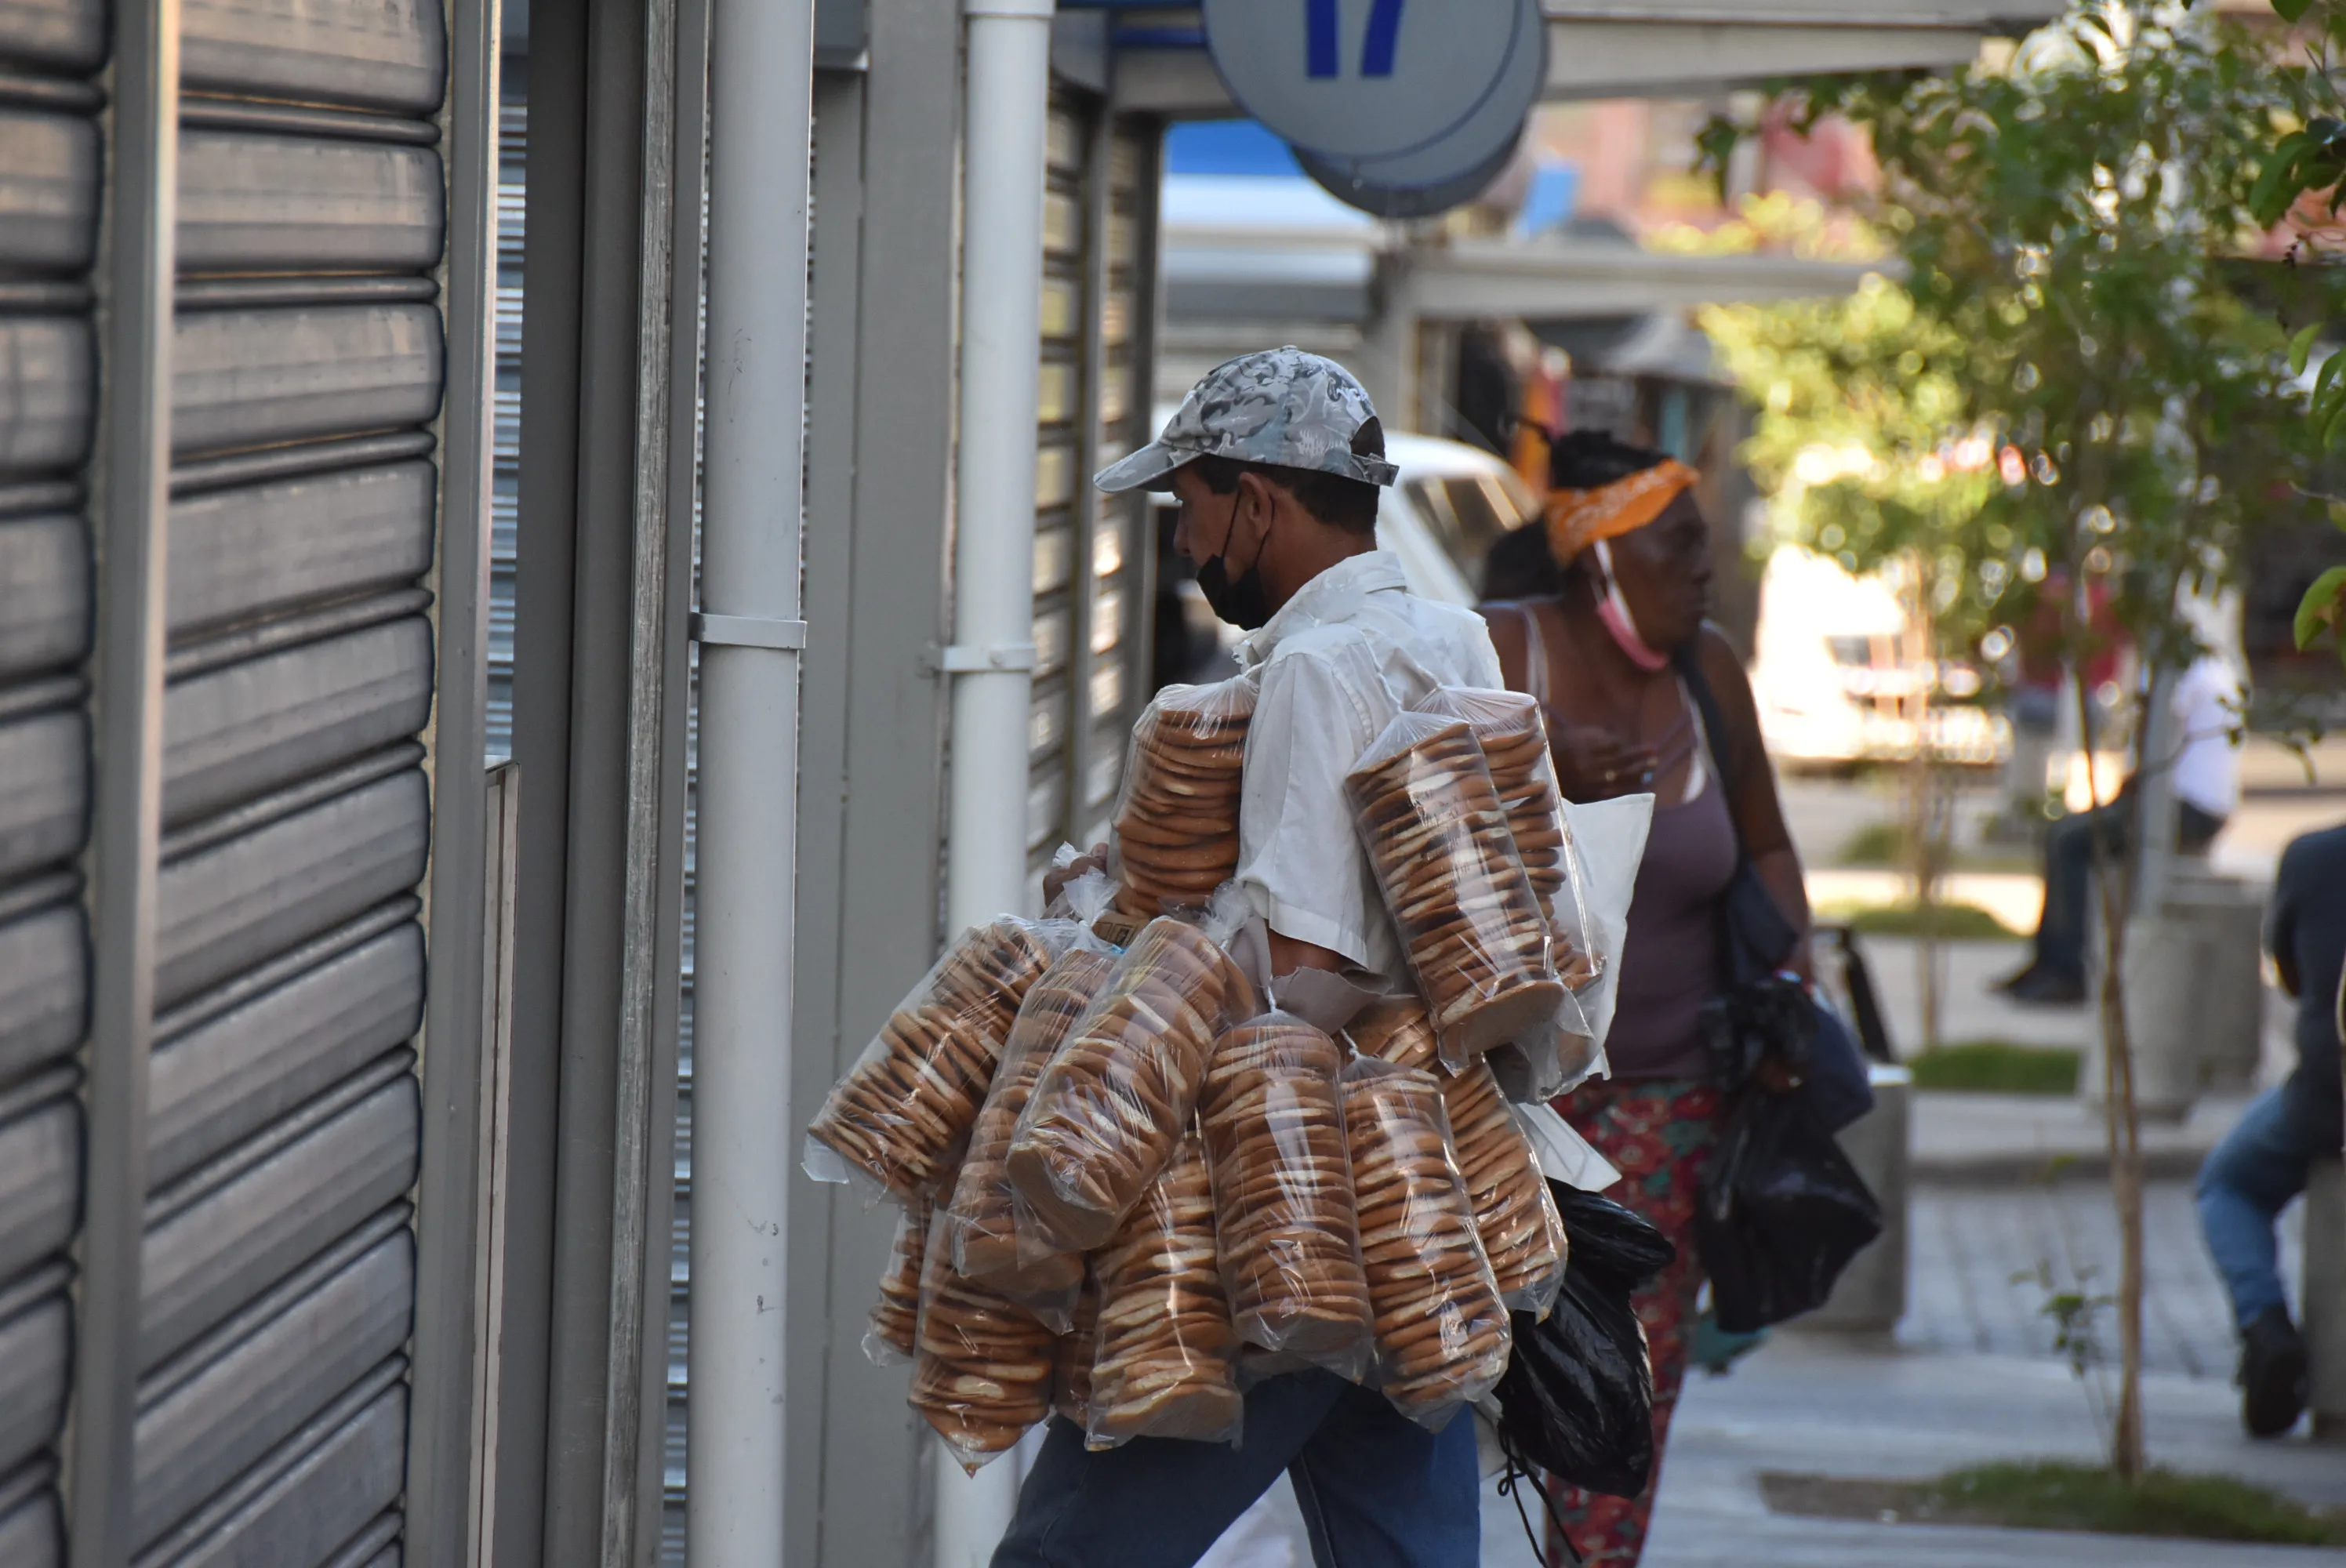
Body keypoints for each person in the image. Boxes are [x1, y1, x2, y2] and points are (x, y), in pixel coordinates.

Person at [1004, 349, 1504, 1568]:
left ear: (1259, 502)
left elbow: (1304, 972)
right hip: (1426, 1187)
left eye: (1190, 506)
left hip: (1288, 1194)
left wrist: (1122, 951)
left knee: (1072, 1554)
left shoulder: (1312, 675)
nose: (1185, 543)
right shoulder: (1461, 644)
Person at [1480, 430, 1811, 1568]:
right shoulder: (1497, 653)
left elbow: (1766, 846)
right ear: (1599, 554)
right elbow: (1406, 834)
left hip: (1673, 1101)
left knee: (1628, 1381)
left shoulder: (1708, 671)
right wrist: (1538, 779)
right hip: (1506, 1110)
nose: (1706, 568)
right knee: (1465, 1374)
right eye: (1680, 544)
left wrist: (1789, 986)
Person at [2195, 822, 2346, 1438]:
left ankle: (2265, 1326)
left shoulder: (2313, 856)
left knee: (2228, 1185)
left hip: (2326, 1096)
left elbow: (2287, 972)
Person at [1997, 653, 2240, 1005]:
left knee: (2069, 840)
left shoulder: (2185, 675)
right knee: (2064, 832)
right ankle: (2048, 959)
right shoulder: (2212, 670)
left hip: (2186, 808)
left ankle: (2068, 969)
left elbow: (2155, 741)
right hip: (2188, 802)